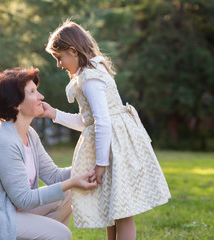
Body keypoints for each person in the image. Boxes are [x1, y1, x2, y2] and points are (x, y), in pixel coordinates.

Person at [42, 20, 171, 240]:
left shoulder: (90, 78)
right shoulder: (88, 74)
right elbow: (87, 122)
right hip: (109, 145)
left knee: (123, 213)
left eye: (59, 57)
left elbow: (102, 122)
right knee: (114, 209)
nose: (59, 64)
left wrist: (101, 164)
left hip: (114, 147)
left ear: (73, 51)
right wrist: (54, 113)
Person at [0, 67, 98, 240]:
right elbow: (24, 200)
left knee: (68, 194)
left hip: (6, 210)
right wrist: (73, 181)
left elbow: (54, 176)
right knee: (61, 233)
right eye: (33, 92)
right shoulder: (3, 140)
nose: (41, 96)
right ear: (16, 104)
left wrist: (94, 168)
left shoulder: (29, 134)